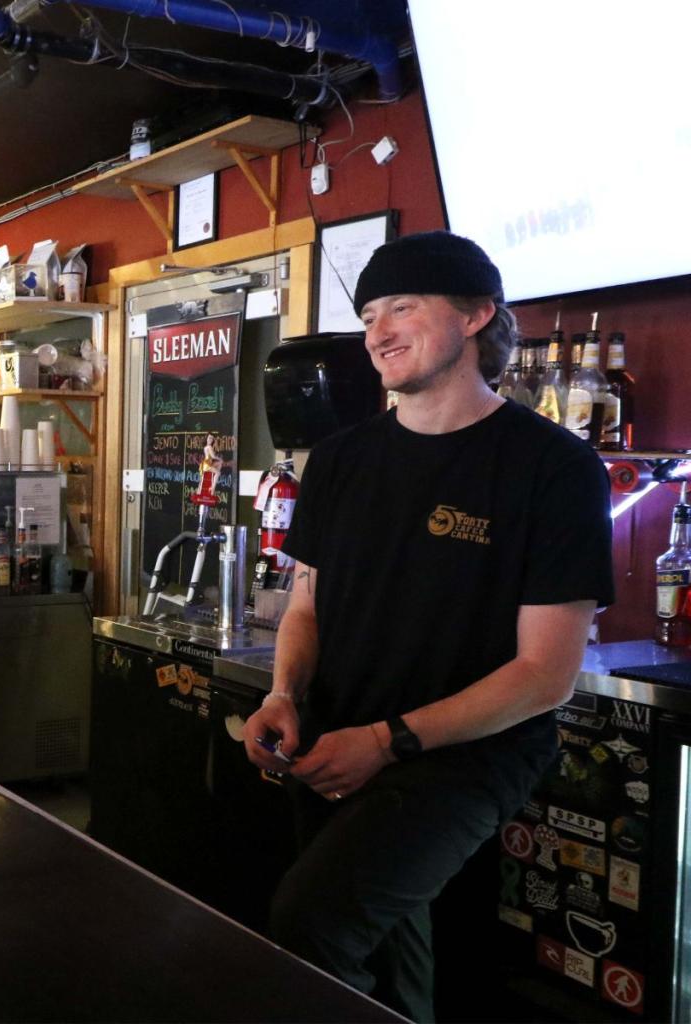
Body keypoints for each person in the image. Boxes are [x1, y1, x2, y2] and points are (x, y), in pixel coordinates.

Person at [242, 231, 613, 1021]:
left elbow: (545, 674)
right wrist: (282, 693)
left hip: (464, 757)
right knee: (383, 938)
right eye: (370, 313)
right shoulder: (339, 462)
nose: (377, 332)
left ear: (478, 314)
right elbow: (306, 605)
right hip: (337, 732)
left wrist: (387, 741)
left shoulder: (552, 467)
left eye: (402, 307)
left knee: (314, 922)